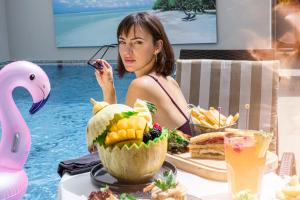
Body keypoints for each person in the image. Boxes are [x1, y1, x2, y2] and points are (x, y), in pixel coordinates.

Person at [94, 12, 192, 135]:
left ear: (157, 46)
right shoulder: (168, 80)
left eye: (137, 42)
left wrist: (109, 91)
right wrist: (108, 85)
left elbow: (117, 139)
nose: (127, 52)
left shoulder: (140, 86)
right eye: (123, 42)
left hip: (178, 154)